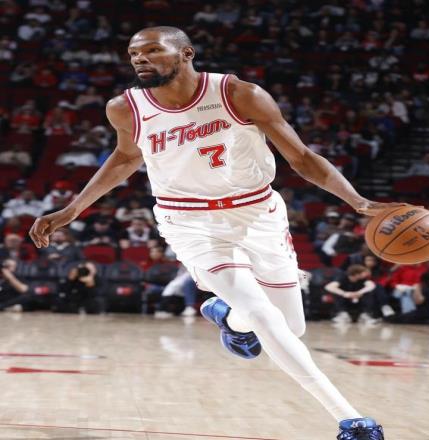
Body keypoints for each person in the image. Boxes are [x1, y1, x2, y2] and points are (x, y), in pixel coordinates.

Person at [29, 26, 408, 439]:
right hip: (189, 222)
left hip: (258, 214)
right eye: (134, 53)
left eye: (152, 50)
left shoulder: (239, 94)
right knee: (265, 317)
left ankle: (228, 316)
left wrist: (358, 202)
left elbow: (301, 157)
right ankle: (350, 419)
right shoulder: (125, 108)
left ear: (186, 53)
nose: (140, 59)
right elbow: (124, 157)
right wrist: (73, 208)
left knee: (289, 328)